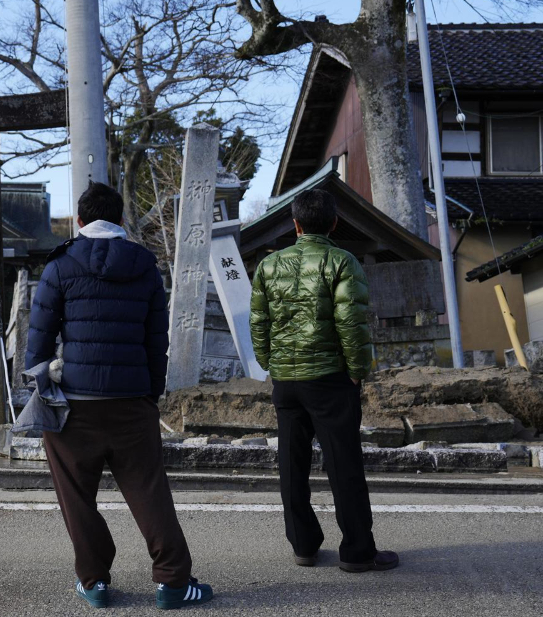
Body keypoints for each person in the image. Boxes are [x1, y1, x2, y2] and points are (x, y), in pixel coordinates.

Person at [27, 182, 213, 610]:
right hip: (132, 402)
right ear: (122, 220)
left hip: (74, 406)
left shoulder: (60, 265)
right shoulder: (145, 265)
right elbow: (156, 340)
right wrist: (151, 395)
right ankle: (173, 583)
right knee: (149, 491)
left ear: (79, 221)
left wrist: (40, 388)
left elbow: (38, 343)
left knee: (76, 495)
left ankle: (94, 581)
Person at [249, 188, 399, 573]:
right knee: (344, 464)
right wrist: (357, 370)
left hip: (286, 379)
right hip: (330, 377)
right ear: (334, 223)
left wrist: (270, 363)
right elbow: (352, 323)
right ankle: (357, 552)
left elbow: (259, 321)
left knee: (291, 464)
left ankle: (304, 546)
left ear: (295, 224)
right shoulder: (341, 261)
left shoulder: (269, 265)